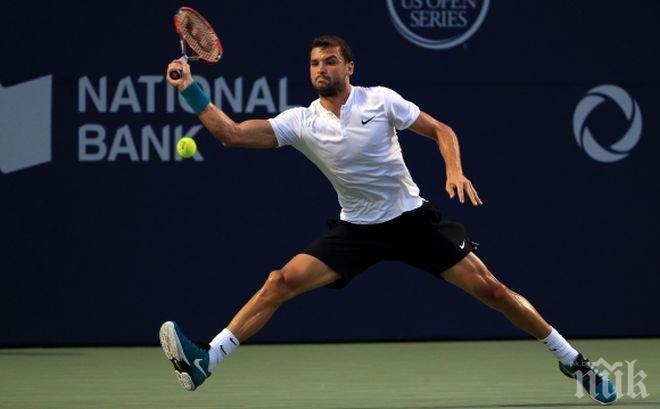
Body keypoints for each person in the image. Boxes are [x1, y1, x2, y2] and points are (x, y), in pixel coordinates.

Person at [159, 35, 617, 405]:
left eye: (331, 61)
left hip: (411, 221)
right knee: (279, 281)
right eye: (315, 63)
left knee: (493, 291)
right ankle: (207, 361)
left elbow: (442, 130)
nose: (322, 69)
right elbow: (232, 134)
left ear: (349, 67)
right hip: (355, 231)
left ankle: (573, 361)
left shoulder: (380, 101)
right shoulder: (300, 121)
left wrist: (453, 168)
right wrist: (190, 89)